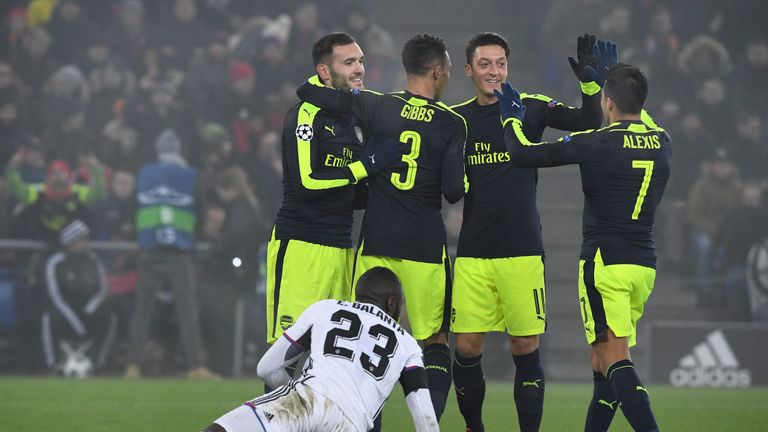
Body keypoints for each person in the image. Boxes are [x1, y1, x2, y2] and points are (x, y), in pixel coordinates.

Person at [295, 33, 467, 421]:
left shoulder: (377, 105)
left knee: (365, 341)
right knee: (435, 342)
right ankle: (429, 425)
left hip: (377, 241)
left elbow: (309, 92)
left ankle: (364, 425)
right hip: (424, 245)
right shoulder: (452, 123)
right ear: (438, 71)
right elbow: (455, 192)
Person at [448, 33, 608, 432]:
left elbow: (589, 121)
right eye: (485, 64)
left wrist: (591, 86)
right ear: (469, 70)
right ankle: (474, 427)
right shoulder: (458, 119)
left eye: (500, 63)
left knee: (525, 347)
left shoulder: (530, 106)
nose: (494, 71)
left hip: (521, 249)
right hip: (473, 252)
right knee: (466, 348)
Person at [498, 64, 669, 432]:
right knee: (601, 361)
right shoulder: (662, 139)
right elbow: (641, 117)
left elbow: (524, 154)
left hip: (605, 262)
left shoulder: (598, 141)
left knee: (614, 357)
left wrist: (510, 120)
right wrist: (615, 76)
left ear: (607, 101)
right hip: (644, 265)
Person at [266, 32, 401, 357]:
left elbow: (351, 195)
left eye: (361, 62)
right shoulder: (304, 116)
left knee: (330, 355)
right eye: (349, 62)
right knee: (285, 357)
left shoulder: (356, 118)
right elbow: (306, 183)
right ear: (325, 72)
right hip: (301, 246)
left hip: (341, 249)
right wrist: (363, 167)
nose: (359, 69)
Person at [201, 267, 439, 432]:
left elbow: (266, 368)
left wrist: (293, 387)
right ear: (392, 302)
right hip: (352, 425)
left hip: (307, 400)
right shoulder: (407, 344)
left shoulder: (326, 308)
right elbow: (425, 419)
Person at [124, 129, 216, 379]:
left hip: (150, 250)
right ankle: (196, 366)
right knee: (187, 311)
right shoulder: (191, 176)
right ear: (179, 150)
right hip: (180, 252)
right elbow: (201, 212)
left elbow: (133, 209)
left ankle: (133, 365)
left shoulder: (144, 174)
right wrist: (190, 233)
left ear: (158, 149)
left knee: (142, 311)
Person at [41, 220, 117, 377]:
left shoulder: (94, 259)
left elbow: (103, 289)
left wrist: (89, 309)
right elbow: (54, 296)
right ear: (70, 241)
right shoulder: (55, 262)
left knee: (110, 317)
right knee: (49, 318)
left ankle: (98, 364)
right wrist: (74, 320)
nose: (86, 243)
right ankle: (53, 364)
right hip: (64, 309)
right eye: (81, 239)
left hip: (90, 307)